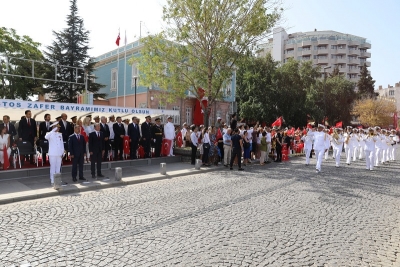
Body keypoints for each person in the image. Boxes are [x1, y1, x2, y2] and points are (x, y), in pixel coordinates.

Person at [45, 122, 65, 186]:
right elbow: (46, 137)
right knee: (53, 167)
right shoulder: (49, 134)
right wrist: (52, 130)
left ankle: (58, 180)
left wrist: (63, 152)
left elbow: (61, 144)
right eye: (57, 127)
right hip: (52, 153)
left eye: (58, 127)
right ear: (53, 127)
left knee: (58, 167)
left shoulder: (60, 134)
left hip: (59, 153)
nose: (58, 128)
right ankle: (52, 180)